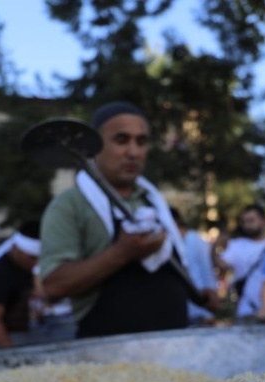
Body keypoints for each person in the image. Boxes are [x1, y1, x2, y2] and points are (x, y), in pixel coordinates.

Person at [39, 101, 190, 338]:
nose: (133, 152)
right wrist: (122, 252)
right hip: (108, 359)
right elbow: (54, 286)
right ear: (95, 146)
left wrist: (201, 292)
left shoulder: (154, 203)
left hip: (177, 349)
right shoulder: (70, 206)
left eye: (141, 141)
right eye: (121, 140)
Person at [0, 231, 41, 348]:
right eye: (32, 257)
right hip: (3, 345)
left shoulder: (25, 269)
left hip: (24, 338)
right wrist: (11, 352)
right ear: (16, 249)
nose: (35, 262)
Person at [213, 205, 265, 317]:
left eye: (251, 221)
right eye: (244, 222)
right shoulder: (236, 245)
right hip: (247, 311)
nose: (247, 225)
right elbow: (220, 264)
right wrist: (216, 246)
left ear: (263, 222)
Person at [170, 207, 219, 323]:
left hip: (200, 312)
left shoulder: (195, 240)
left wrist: (211, 303)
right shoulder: (171, 244)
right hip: (182, 312)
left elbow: (207, 272)